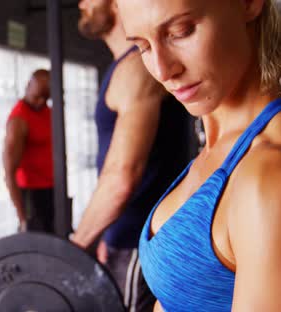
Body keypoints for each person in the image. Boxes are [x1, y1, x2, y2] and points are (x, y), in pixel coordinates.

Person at [115, 0, 281, 310]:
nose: (163, 71)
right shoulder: (219, 147)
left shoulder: (275, 172)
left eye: (181, 31)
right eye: (143, 47)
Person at [72, 0, 193, 310]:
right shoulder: (124, 67)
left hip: (139, 239)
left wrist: (75, 245)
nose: (81, 3)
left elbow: (122, 176)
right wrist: (103, 235)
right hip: (124, 236)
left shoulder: (137, 69)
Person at [3, 69, 54, 233]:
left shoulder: (48, 112)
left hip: (51, 189)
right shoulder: (19, 119)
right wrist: (23, 218)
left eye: (45, 98)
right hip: (31, 195)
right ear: (27, 86)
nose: (40, 102)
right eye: (37, 96)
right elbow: (9, 172)